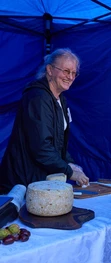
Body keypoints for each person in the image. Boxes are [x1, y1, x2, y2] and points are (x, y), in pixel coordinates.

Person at [0, 48, 89, 193]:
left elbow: (58, 142)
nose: (70, 77)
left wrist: (71, 164)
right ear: (49, 70)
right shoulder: (38, 97)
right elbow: (41, 147)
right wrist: (69, 171)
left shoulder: (61, 100)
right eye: (66, 71)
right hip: (23, 182)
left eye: (74, 73)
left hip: (40, 180)